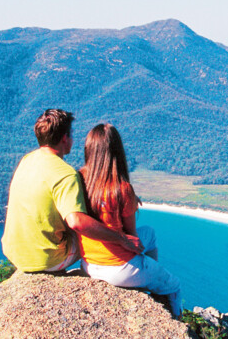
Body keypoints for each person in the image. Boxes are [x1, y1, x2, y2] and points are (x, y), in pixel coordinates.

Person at [2, 109, 143, 274]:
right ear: (65, 139)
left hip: (14, 252)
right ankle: (125, 270)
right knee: (98, 236)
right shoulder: (65, 173)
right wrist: (122, 239)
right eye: (71, 135)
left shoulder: (27, 160)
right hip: (47, 259)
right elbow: (76, 221)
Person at [78, 123, 183, 317]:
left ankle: (145, 278)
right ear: (117, 151)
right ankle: (172, 316)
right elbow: (133, 240)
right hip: (119, 269)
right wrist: (130, 201)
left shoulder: (78, 180)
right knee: (175, 286)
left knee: (150, 232)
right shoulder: (122, 189)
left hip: (89, 264)